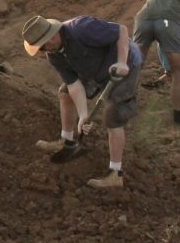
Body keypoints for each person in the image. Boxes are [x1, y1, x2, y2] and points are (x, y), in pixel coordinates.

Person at [23, 15, 143, 189]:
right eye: (40, 49)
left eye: (44, 45)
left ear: (53, 35)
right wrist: (83, 115)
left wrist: (122, 62)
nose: (45, 50)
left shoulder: (82, 29)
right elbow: (73, 85)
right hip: (93, 69)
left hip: (125, 64)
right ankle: (67, 140)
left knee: (112, 116)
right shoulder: (54, 55)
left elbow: (121, 31)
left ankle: (116, 174)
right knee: (65, 93)